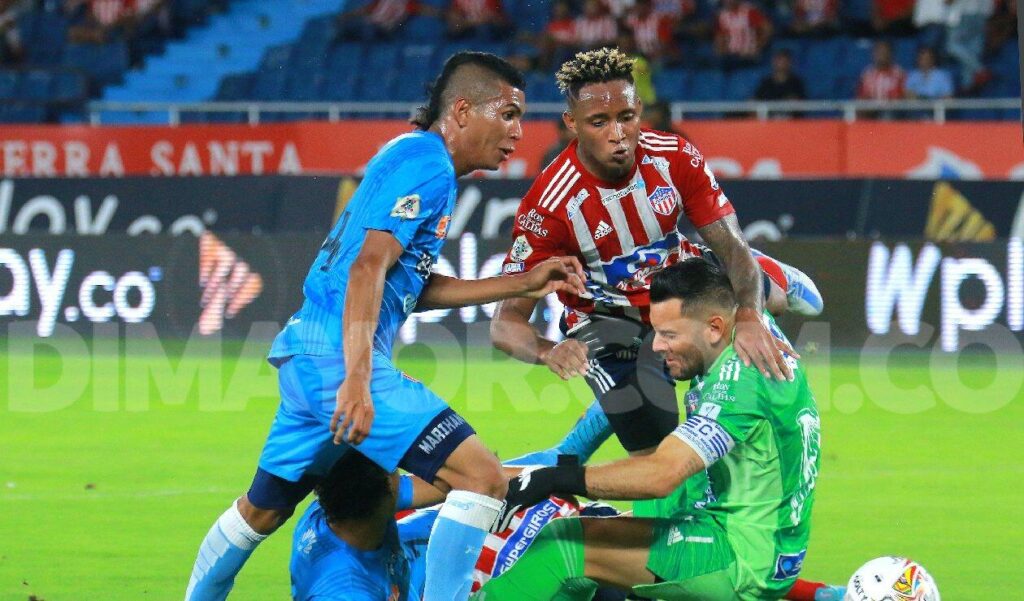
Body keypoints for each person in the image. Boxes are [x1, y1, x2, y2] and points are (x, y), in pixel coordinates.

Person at [185, 52, 588, 601]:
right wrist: (356, 379)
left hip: (308, 355)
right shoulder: (431, 167)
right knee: (482, 477)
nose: (518, 132)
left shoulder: (408, 153)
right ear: (463, 111)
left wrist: (521, 283)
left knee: (262, 511)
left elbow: (410, 285)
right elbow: (366, 268)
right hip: (339, 360)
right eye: (509, 114)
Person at [490, 48, 822, 464]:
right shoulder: (548, 205)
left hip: (681, 286)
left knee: (767, 308)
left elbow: (732, 248)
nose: (618, 134)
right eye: (599, 122)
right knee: (654, 452)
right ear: (571, 124)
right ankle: (577, 451)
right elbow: (505, 323)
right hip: (607, 322)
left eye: (626, 117)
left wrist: (751, 317)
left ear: (640, 111)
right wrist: (546, 351)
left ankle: (772, 280)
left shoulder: (674, 155)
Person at [481, 258, 823, 600]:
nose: (656, 346)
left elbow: (661, 475)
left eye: (669, 335)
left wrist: (551, 479)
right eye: (656, 331)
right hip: (762, 537)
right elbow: (754, 277)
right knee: (601, 537)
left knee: (563, 543)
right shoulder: (752, 327)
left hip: (738, 555)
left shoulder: (738, 383)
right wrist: (776, 280)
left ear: (714, 327)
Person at [293, 408, 844, 600]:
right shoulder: (341, 588)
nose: (410, 465)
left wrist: (554, 466)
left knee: (631, 532)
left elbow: (483, 479)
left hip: (504, 541)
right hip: (492, 575)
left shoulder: (344, 507)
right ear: (388, 485)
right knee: (624, 549)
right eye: (397, 464)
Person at [713, 0, 773, 67]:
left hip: (748, 56)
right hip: (730, 56)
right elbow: (719, 38)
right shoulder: (722, 15)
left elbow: (767, 29)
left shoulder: (749, 11)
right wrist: (720, 52)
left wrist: (758, 46)